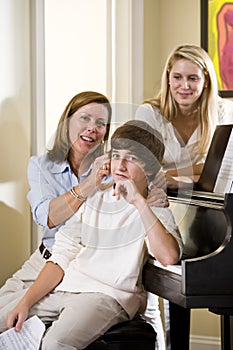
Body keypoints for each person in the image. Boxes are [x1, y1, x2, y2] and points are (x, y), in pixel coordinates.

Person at [0, 91, 167, 349]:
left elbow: (138, 175)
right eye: (85, 118)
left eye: (101, 124)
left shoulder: (114, 167)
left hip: (97, 273)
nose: (92, 128)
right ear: (67, 121)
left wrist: (156, 188)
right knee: (7, 316)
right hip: (49, 261)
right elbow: (48, 218)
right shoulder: (43, 165)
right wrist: (90, 185)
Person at [135, 44, 233, 190]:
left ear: (206, 81)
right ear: (168, 78)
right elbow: (142, 171)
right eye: (177, 77)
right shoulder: (149, 113)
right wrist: (199, 171)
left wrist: (174, 177)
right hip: (157, 195)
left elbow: (222, 171)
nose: (184, 86)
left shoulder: (223, 110)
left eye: (193, 78)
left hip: (205, 196)